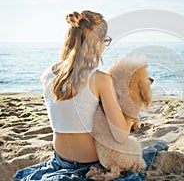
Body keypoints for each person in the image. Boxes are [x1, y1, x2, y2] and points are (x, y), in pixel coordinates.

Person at [13, 10, 168, 181]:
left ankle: (157, 147)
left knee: (149, 150)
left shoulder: (47, 75)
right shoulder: (100, 80)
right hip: (91, 164)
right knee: (142, 153)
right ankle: (157, 147)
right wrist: (134, 104)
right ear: (97, 43)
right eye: (105, 41)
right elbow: (120, 135)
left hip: (59, 160)